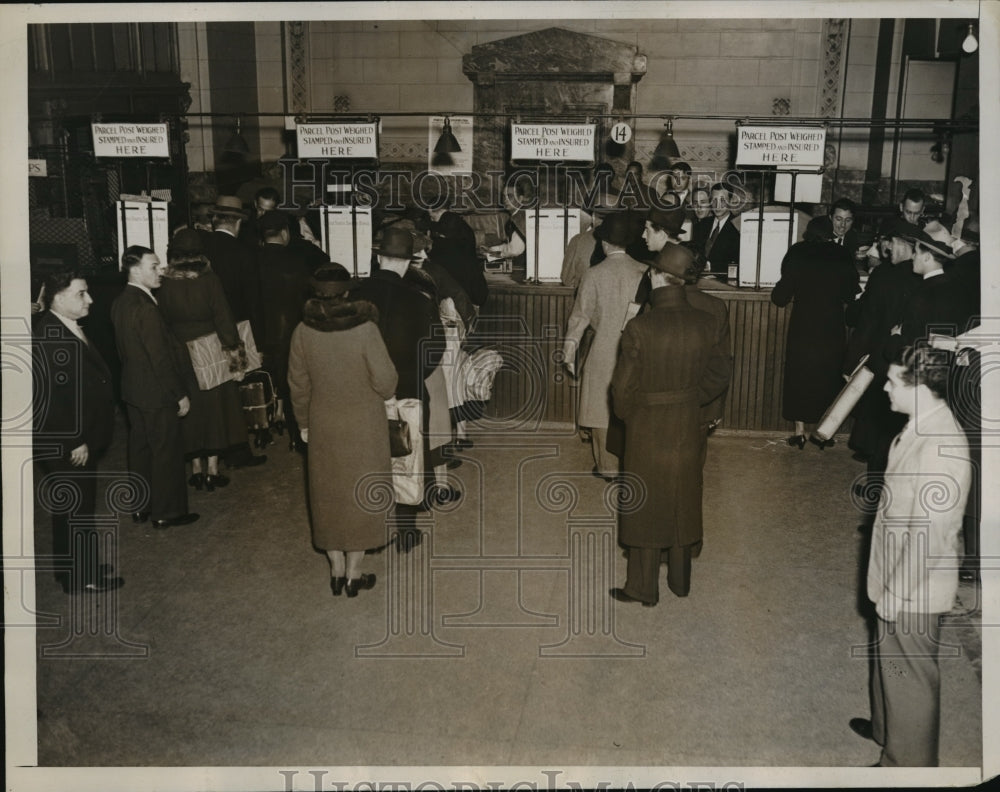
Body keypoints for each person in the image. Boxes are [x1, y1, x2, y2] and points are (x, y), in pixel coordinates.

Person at [849, 344, 970, 766]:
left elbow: (930, 537)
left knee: (912, 678)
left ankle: (905, 765)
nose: (884, 388)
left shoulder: (941, 449)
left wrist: (896, 596)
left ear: (920, 388)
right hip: (896, 573)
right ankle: (886, 728)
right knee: (891, 662)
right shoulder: (920, 423)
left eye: (893, 381)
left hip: (914, 587)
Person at [609, 244, 731, 605]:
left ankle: (642, 588)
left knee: (646, 502)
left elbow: (621, 390)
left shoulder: (639, 327)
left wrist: (633, 414)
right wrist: (692, 399)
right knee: (682, 493)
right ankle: (680, 580)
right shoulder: (708, 322)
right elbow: (721, 373)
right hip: (689, 419)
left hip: (648, 424)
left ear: (657, 275)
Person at [287, 265, 397, 598]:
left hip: (323, 422)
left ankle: (335, 570)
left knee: (328, 494)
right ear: (347, 293)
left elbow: (298, 384)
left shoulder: (302, 332)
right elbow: (387, 381)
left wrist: (304, 423)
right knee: (361, 494)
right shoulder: (365, 330)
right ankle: (354, 574)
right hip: (364, 423)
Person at [354, 225, 447, 549]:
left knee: (367, 457)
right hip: (408, 388)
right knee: (407, 455)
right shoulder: (419, 299)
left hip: (363, 390)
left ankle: (373, 531)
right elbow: (435, 349)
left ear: (378, 257)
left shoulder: (354, 296)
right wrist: (413, 374)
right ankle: (406, 530)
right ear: (409, 262)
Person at [33, 270, 124, 593]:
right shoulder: (50, 336)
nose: (90, 299)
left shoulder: (62, 327)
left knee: (76, 505)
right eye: (81, 293)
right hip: (68, 441)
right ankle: (82, 577)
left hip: (78, 438)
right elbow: (48, 397)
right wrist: (75, 440)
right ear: (59, 298)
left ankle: (73, 567)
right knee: (77, 508)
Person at [110, 246, 199, 529]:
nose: (160, 271)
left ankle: (141, 506)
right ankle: (168, 512)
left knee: (141, 448)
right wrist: (179, 394)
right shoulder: (146, 307)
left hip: (132, 389)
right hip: (156, 391)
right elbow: (159, 358)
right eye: (153, 266)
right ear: (135, 270)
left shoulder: (120, 302)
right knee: (166, 450)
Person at [157, 229, 249, 491]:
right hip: (210, 349)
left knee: (190, 409)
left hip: (179, 350)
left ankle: (195, 467)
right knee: (216, 408)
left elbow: (161, 320)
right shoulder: (210, 280)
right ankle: (212, 468)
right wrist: (235, 353)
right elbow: (223, 318)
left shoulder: (164, 283)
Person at [561, 212, 648, 480]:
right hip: (637, 350)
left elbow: (580, 317)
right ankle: (631, 465)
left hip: (602, 348)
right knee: (632, 408)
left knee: (600, 409)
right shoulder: (644, 271)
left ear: (606, 244)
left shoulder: (594, 274)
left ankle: (607, 468)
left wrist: (569, 350)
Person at [771, 217, 860, 448]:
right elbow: (851, 294)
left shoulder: (797, 252)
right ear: (830, 233)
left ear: (808, 233)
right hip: (831, 326)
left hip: (803, 325)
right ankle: (823, 433)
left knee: (799, 376)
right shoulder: (841, 254)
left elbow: (780, 297)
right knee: (828, 377)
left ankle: (799, 432)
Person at [256, 209, 313, 449]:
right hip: (290, 330)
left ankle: (261, 430)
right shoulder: (297, 262)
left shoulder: (252, 260)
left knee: (260, 382)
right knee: (293, 384)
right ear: (285, 232)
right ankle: (294, 435)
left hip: (260, 332)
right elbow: (306, 299)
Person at [693, 181, 740, 281]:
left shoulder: (738, 228)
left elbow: (738, 264)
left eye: (722, 200)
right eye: (714, 200)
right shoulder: (701, 225)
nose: (717, 205)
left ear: (731, 201)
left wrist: (711, 268)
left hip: (722, 284)